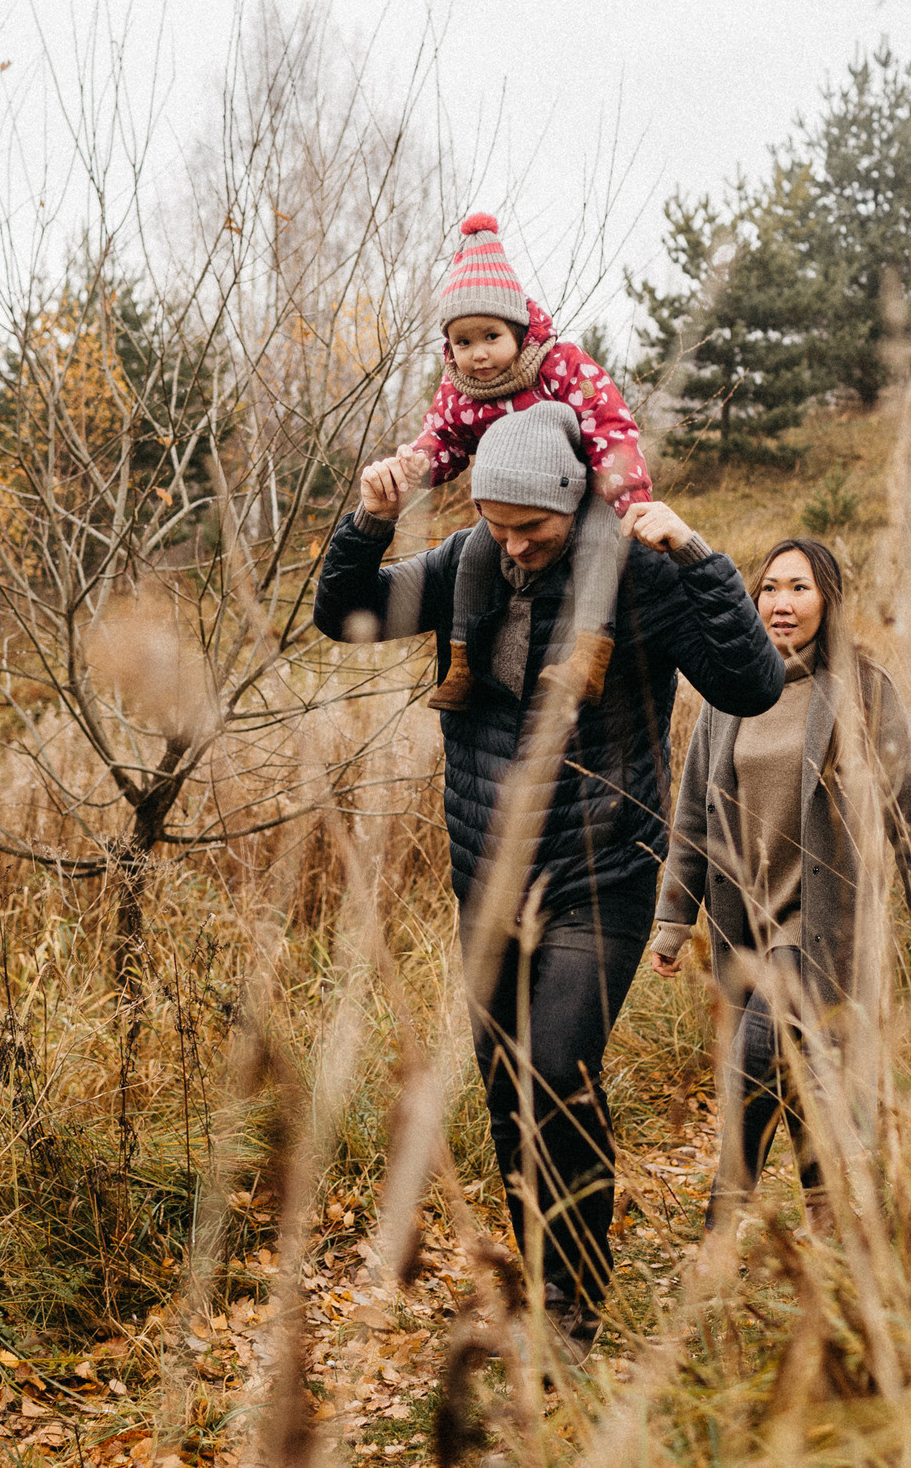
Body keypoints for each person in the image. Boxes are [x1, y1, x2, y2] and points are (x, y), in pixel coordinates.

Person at [315, 403, 782, 1359]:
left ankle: (573, 1301)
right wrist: (365, 523)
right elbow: (347, 615)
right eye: (499, 523)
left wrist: (698, 557)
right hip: (487, 878)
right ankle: (541, 1275)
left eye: (533, 526)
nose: (517, 545)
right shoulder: (464, 564)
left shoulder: (639, 574)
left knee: (556, 1072)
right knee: (503, 1088)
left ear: (575, 500)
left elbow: (751, 685)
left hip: (602, 876)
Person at [649, 537, 911, 1225]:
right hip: (743, 919)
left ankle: (726, 1210)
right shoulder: (729, 689)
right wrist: (672, 920)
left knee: (759, 1046)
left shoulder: (863, 689)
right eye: (771, 587)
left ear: (828, 600)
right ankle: (823, 1208)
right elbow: (694, 813)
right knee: (800, 1058)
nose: (782, 603)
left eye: (800, 588)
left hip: (826, 920)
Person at [399, 212, 650, 518]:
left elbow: (609, 429)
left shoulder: (560, 367)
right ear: (449, 346)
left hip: (582, 501)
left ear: (518, 331)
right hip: (506, 515)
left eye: (491, 336)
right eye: (463, 342)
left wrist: (629, 498)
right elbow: (444, 441)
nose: (478, 353)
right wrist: (418, 464)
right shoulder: (458, 395)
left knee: (603, 550)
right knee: (475, 560)